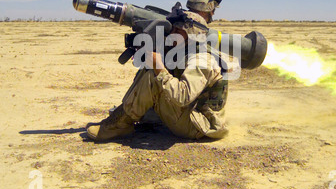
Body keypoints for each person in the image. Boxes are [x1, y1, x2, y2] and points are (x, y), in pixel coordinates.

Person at [86, 11, 229, 141]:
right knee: (151, 71)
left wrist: (158, 66)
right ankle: (121, 118)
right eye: (173, 29)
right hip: (193, 115)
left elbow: (182, 96)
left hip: (199, 127)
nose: (172, 33)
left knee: (153, 77)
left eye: (178, 31)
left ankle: (119, 126)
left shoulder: (202, 60)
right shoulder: (183, 50)